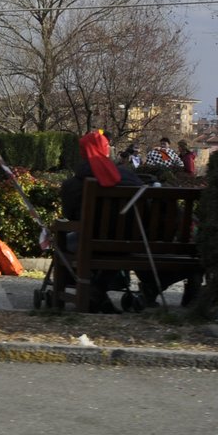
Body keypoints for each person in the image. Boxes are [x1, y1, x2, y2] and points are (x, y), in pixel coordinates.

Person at [58, 130, 143, 313]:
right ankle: (98, 289)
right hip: (129, 241)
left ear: (82, 152)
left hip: (89, 241)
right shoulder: (128, 178)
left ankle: (87, 289)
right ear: (106, 150)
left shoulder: (72, 184)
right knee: (114, 247)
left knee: (65, 239)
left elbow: (70, 217)